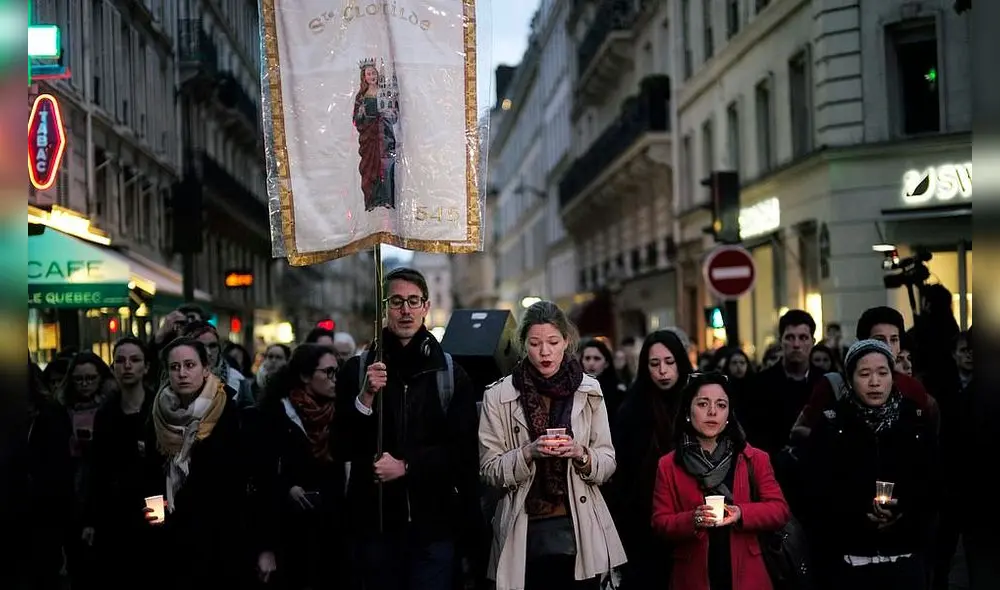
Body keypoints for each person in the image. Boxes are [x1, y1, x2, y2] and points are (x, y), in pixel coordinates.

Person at [337, 267, 479, 590]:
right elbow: (340, 446)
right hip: (373, 529)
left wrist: (407, 466)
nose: (405, 310)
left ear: (426, 307)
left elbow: (463, 454)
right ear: (384, 308)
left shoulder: (450, 374)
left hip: (432, 532)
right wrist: (366, 396)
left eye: (413, 301)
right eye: (397, 301)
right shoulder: (357, 371)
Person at [479, 301, 626, 590]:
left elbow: (608, 461)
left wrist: (581, 453)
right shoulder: (499, 396)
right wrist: (528, 453)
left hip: (580, 528)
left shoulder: (589, 390)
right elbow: (489, 469)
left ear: (566, 341)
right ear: (523, 344)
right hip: (523, 531)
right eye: (535, 343)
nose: (544, 352)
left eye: (552, 342)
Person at [799, 340, 937, 589]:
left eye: (882, 373)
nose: (875, 382)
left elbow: (932, 483)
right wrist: (860, 511)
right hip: (849, 561)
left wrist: (903, 511)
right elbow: (814, 492)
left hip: (906, 557)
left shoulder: (914, 419)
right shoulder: (832, 423)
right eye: (865, 374)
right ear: (850, 379)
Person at [651, 372, 790, 590]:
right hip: (693, 576)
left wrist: (741, 513)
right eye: (703, 404)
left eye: (721, 405)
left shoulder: (754, 459)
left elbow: (780, 511)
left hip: (748, 575)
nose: (712, 412)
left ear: (729, 414)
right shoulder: (668, 465)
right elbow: (660, 523)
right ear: (688, 410)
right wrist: (692, 519)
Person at [141, 338, 257, 589]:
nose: (182, 373)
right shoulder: (156, 415)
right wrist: (159, 526)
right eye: (174, 367)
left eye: (190, 365)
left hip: (220, 536)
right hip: (173, 538)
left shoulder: (228, 412)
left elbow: (239, 479)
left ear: (206, 369)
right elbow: (151, 478)